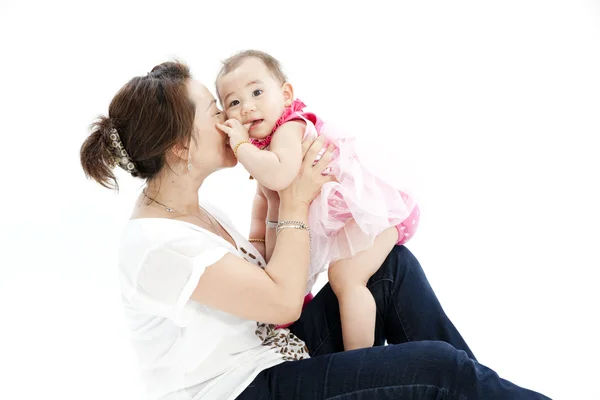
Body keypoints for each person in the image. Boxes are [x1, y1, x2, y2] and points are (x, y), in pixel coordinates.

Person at [79, 61, 550, 400]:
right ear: (181, 147)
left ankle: (474, 389)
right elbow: (282, 301)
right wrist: (297, 200)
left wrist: (278, 197)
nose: (232, 118)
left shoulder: (197, 210)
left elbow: (263, 275)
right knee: (438, 368)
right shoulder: (156, 244)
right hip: (242, 390)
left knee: (391, 270)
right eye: (214, 110)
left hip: (276, 355)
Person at [215, 50, 420, 349]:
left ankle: (361, 365)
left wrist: (242, 145)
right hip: (363, 216)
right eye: (234, 102)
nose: (247, 107)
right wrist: (261, 251)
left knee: (345, 276)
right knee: (326, 271)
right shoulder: (267, 151)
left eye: (257, 92)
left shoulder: (289, 128)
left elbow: (279, 177)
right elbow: (269, 213)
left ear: (286, 94)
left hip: (384, 211)